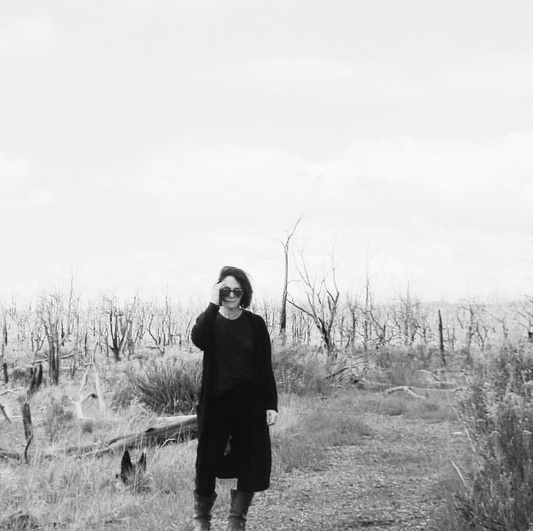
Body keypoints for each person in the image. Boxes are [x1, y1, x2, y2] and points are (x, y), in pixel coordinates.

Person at [190, 266, 278, 531]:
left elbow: (265, 366)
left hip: (249, 402)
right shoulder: (210, 321)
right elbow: (199, 340)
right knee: (207, 459)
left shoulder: (255, 323)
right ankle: (201, 520)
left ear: (244, 293)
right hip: (216, 402)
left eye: (236, 291)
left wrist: (270, 404)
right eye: (225, 290)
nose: (231, 295)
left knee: (251, 460)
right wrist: (211, 302)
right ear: (218, 291)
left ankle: (236, 521)